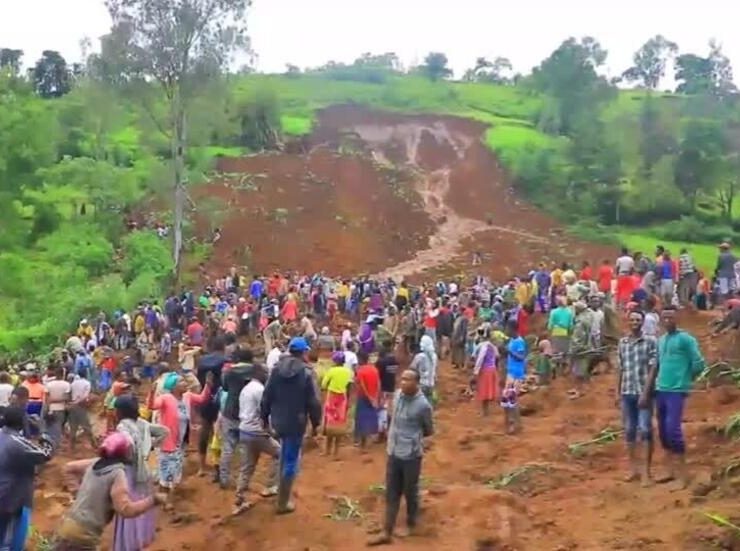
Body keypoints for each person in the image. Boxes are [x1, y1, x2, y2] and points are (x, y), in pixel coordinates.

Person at [54, 432, 167, 550]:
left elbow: (68, 468)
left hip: (67, 525)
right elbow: (125, 510)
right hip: (85, 535)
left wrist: (79, 493)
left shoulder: (95, 463)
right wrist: (153, 500)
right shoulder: (117, 474)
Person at [368, 369, 433, 546]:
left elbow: (428, 430)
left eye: (408, 380)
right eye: (402, 379)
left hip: (411, 455)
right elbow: (391, 417)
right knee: (392, 491)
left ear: (416, 383)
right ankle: (386, 530)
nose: (403, 382)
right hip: (393, 451)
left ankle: (412, 524)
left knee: (410, 490)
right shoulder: (397, 396)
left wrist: (415, 441)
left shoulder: (423, 405)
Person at [645, 307, 705, 490]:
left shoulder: (686, 339)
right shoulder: (661, 341)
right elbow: (658, 365)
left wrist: (687, 379)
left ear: (677, 318)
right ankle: (670, 470)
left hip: (676, 390)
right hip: (661, 389)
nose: (667, 320)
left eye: (670, 317)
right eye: (664, 318)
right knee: (663, 431)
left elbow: (698, 363)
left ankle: (682, 475)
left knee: (673, 430)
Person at [260, 337, 322, 514]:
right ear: (303, 352)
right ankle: (283, 502)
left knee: (283, 454)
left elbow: (267, 395)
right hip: (297, 421)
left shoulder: (276, 370)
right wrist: (316, 424)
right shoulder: (306, 373)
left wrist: (264, 418)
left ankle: (280, 491)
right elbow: (314, 402)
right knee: (291, 460)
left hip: (278, 420)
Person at [113, 395, 168, 551]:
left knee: (128, 507)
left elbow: (128, 443)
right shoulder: (143, 424)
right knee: (142, 503)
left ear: (121, 411)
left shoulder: (123, 426)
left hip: (129, 471)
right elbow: (165, 431)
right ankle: (141, 540)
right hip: (144, 470)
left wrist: (128, 455)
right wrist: (148, 448)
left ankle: (127, 545)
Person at [148, 373, 212, 499]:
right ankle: (165, 498)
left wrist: (208, 385)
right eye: (181, 382)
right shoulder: (166, 398)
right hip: (167, 442)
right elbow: (152, 406)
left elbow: (203, 398)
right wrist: (151, 393)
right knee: (166, 472)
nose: (185, 383)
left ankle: (167, 497)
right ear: (173, 387)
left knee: (175, 471)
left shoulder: (187, 397)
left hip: (180, 441)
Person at [0, 406, 54, 551]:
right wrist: (43, 430)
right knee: (10, 537)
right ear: (22, 423)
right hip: (10, 496)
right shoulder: (16, 442)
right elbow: (46, 453)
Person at [617, 311, 658, 487]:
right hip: (627, 392)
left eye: (638, 320)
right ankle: (633, 469)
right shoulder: (622, 343)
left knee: (645, 430)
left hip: (644, 393)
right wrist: (616, 392)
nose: (635, 322)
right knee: (629, 430)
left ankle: (646, 473)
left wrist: (645, 393)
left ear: (643, 322)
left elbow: (653, 369)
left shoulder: (650, 341)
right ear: (628, 322)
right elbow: (620, 368)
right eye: (632, 320)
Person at [234, 364, 280, 516]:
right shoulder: (260, 390)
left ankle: (239, 499)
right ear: (260, 374)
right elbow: (265, 412)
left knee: (247, 467)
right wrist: (270, 430)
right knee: (280, 453)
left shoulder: (246, 389)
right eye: (266, 373)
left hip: (244, 430)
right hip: (257, 432)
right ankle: (271, 486)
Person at [320, 351, 354, 457]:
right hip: (342, 398)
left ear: (335, 361)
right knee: (339, 424)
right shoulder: (348, 372)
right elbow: (349, 387)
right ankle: (336, 452)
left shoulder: (332, 371)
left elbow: (323, 385)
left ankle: (327, 451)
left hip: (332, 398)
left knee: (329, 423)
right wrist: (348, 400)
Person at [502, 320, 526, 434]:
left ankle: (515, 424)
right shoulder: (512, 340)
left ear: (513, 329)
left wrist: (509, 352)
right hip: (511, 372)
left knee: (512, 399)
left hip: (517, 374)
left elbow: (521, 357)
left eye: (507, 328)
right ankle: (510, 422)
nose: (506, 330)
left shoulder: (519, 342)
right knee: (506, 399)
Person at [354, 351, 381, 449]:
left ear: (360, 359)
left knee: (361, 419)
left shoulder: (360, 371)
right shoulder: (374, 369)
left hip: (363, 398)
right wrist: (375, 397)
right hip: (373, 397)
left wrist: (369, 397)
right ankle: (367, 441)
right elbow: (378, 383)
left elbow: (361, 385)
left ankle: (361, 443)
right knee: (370, 418)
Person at [472, 331, 498, 416]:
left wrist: (476, 371)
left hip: (485, 370)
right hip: (492, 369)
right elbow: (497, 356)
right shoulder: (492, 346)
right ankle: (486, 411)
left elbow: (480, 359)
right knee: (488, 391)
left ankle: (484, 412)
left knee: (483, 391)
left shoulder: (484, 346)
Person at [410, 336, 437, 404]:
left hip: (421, 383)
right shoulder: (434, 356)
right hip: (431, 384)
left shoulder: (419, 356)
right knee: (429, 403)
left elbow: (412, 368)